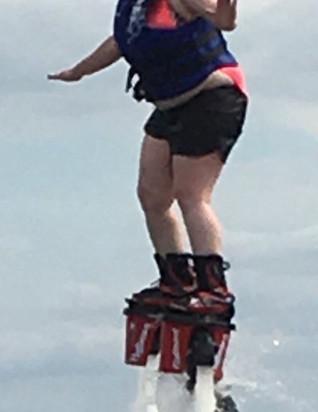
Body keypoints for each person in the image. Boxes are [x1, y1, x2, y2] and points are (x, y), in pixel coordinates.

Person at [49, 0, 246, 313]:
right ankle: (176, 282)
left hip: (212, 97)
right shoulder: (135, 6)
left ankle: (214, 290)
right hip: (170, 106)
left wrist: (227, 5)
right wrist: (79, 71)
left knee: (191, 194)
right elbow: (119, 43)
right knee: (152, 195)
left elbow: (223, 21)